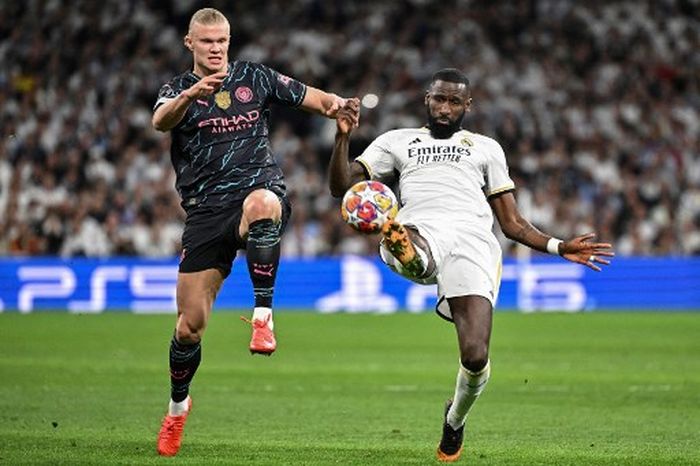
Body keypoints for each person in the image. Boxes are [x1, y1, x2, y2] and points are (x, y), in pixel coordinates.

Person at [329, 68, 614, 462]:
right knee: (414, 250)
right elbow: (341, 186)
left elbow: (512, 224)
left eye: (454, 101)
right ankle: (403, 245)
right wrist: (343, 136)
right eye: (438, 99)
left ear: (468, 105)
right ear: (426, 99)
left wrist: (558, 245)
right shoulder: (396, 142)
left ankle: (455, 420)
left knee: (475, 356)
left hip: (474, 241)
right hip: (420, 227)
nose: (445, 108)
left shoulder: (485, 148)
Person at [152, 8, 358, 457]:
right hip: (205, 212)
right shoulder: (176, 90)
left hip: (255, 190)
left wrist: (341, 108)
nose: (217, 48)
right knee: (190, 327)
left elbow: (318, 100)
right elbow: (161, 121)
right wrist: (192, 96)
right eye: (207, 42)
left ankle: (263, 316)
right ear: (190, 43)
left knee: (263, 203)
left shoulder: (255, 77)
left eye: (222, 40)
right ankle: (177, 409)